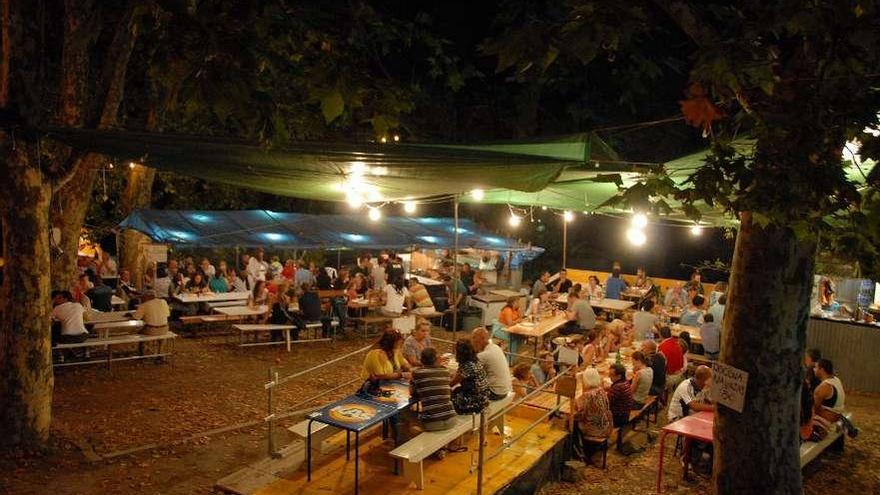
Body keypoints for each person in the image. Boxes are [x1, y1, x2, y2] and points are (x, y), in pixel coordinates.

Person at [410, 348, 457, 432]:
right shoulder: (445, 371)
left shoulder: (417, 373)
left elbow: (412, 392)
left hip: (432, 423)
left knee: (406, 413)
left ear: (421, 360)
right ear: (436, 359)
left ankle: (401, 442)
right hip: (451, 419)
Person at [572, 368, 613, 456]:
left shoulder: (586, 396)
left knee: (571, 423)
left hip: (594, 430)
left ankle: (578, 452)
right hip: (606, 426)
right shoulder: (601, 391)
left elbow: (579, 413)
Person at [450, 338, 490, 414]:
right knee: (456, 390)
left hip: (477, 400)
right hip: (484, 395)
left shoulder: (467, 365)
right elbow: (458, 375)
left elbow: (452, 383)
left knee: (448, 397)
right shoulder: (475, 360)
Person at [472, 327, 513, 400]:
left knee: (467, 384)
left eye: (474, 338)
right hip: (505, 389)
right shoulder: (495, 347)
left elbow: (468, 371)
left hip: (495, 392)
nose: (472, 341)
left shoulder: (484, 355)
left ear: (482, 339)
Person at [658, 326, 685, 391]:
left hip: (670, 377)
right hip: (679, 374)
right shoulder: (676, 343)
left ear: (660, 335)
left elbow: (660, 366)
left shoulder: (662, 347)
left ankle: (660, 396)